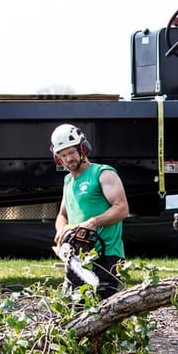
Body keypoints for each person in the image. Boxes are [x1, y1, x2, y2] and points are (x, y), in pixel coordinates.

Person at [52, 123, 130, 301]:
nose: (69, 159)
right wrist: (61, 231)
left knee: (103, 309)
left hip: (106, 254)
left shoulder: (102, 173)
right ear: (58, 159)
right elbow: (62, 214)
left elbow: (122, 208)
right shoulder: (68, 181)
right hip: (77, 255)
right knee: (73, 307)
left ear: (82, 148)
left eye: (71, 152)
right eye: (63, 155)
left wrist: (93, 222)